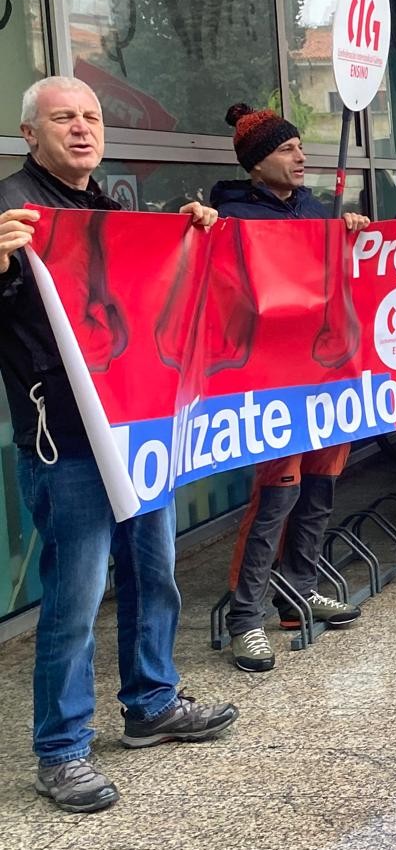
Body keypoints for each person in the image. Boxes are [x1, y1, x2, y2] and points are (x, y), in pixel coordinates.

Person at [0, 76, 237, 813]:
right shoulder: (10, 211)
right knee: (74, 603)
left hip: (139, 431)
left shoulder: (110, 210)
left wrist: (187, 233)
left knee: (153, 574)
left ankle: (152, 703)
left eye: (92, 117)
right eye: (63, 118)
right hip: (67, 441)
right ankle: (61, 751)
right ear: (29, 133)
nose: (82, 128)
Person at [210, 104, 372, 672]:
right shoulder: (231, 217)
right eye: (286, 149)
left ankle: (297, 591)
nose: (301, 156)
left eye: (301, 146)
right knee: (276, 494)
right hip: (271, 382)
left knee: (320, 487)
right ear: (256, 164)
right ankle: (245, 617)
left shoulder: (315, 209)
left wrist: (349, 233)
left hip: (325, 375)